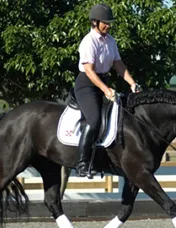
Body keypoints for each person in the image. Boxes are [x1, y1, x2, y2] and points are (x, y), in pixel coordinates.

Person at [74, 3, 141, 178]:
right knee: (95, 120)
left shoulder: (111, 41)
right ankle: (82, 163)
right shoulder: (89, 42)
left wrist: (132, 83)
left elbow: (118, 64)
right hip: (87, 85)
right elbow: (89, 71)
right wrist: (106, 90)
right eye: (105, 22)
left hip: (103, 81)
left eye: (109, 22)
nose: (108, 25)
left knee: (119, 116)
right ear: (95, 22)